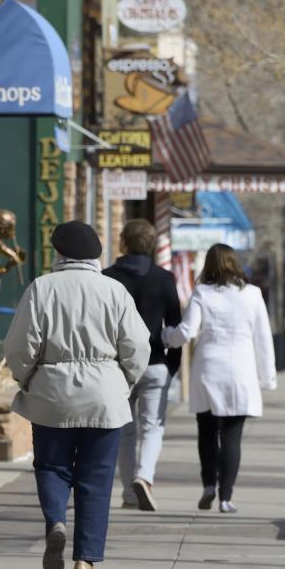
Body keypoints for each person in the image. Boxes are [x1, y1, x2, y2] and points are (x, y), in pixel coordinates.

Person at [4, 221, 150, 569]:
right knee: (96, 478)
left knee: (52, 467)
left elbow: (20, 346)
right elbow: (137, 346)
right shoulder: (114, 291)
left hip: (52, 393)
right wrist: (124, 381)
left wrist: (25, 378)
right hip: (104, 395)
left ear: (60, 253)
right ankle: (85, 561)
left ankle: (56, 520)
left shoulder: (41, 288)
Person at [162, 243, 277, 514]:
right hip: (241, 368)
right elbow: (263, 338)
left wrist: (167, 336)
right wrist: (267, 377)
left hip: (208, 367)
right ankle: (226, 497)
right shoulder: (252, 294)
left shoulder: (202, 292)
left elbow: (187, 331)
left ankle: (208, 485)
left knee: (207, 430)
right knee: (232, 436)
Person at [104, 219, 183, 512]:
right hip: (155, 362)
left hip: (118, 366)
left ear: (123, 242)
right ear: (151, 245)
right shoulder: (164, 278)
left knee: (125, 431)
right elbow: (175, 324)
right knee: (152, 428)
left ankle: (128, 493)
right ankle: (144, 477)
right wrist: (172, 365)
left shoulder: (107, 277)